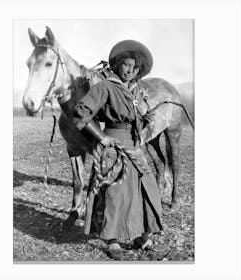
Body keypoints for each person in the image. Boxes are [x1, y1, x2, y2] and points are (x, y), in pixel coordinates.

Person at [72, 40, 163, 260]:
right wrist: (102, 137)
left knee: (145, 189)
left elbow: (128, 119)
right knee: (115, 195)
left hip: (133, 147)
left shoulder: (133, 90)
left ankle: (141, 235)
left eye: (136, 67)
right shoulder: (106, 86)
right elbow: (80, 113)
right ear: (118, 64)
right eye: (127, 65)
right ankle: (111, 240)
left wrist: (143, 119)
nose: (131, 70)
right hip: (114, 148)